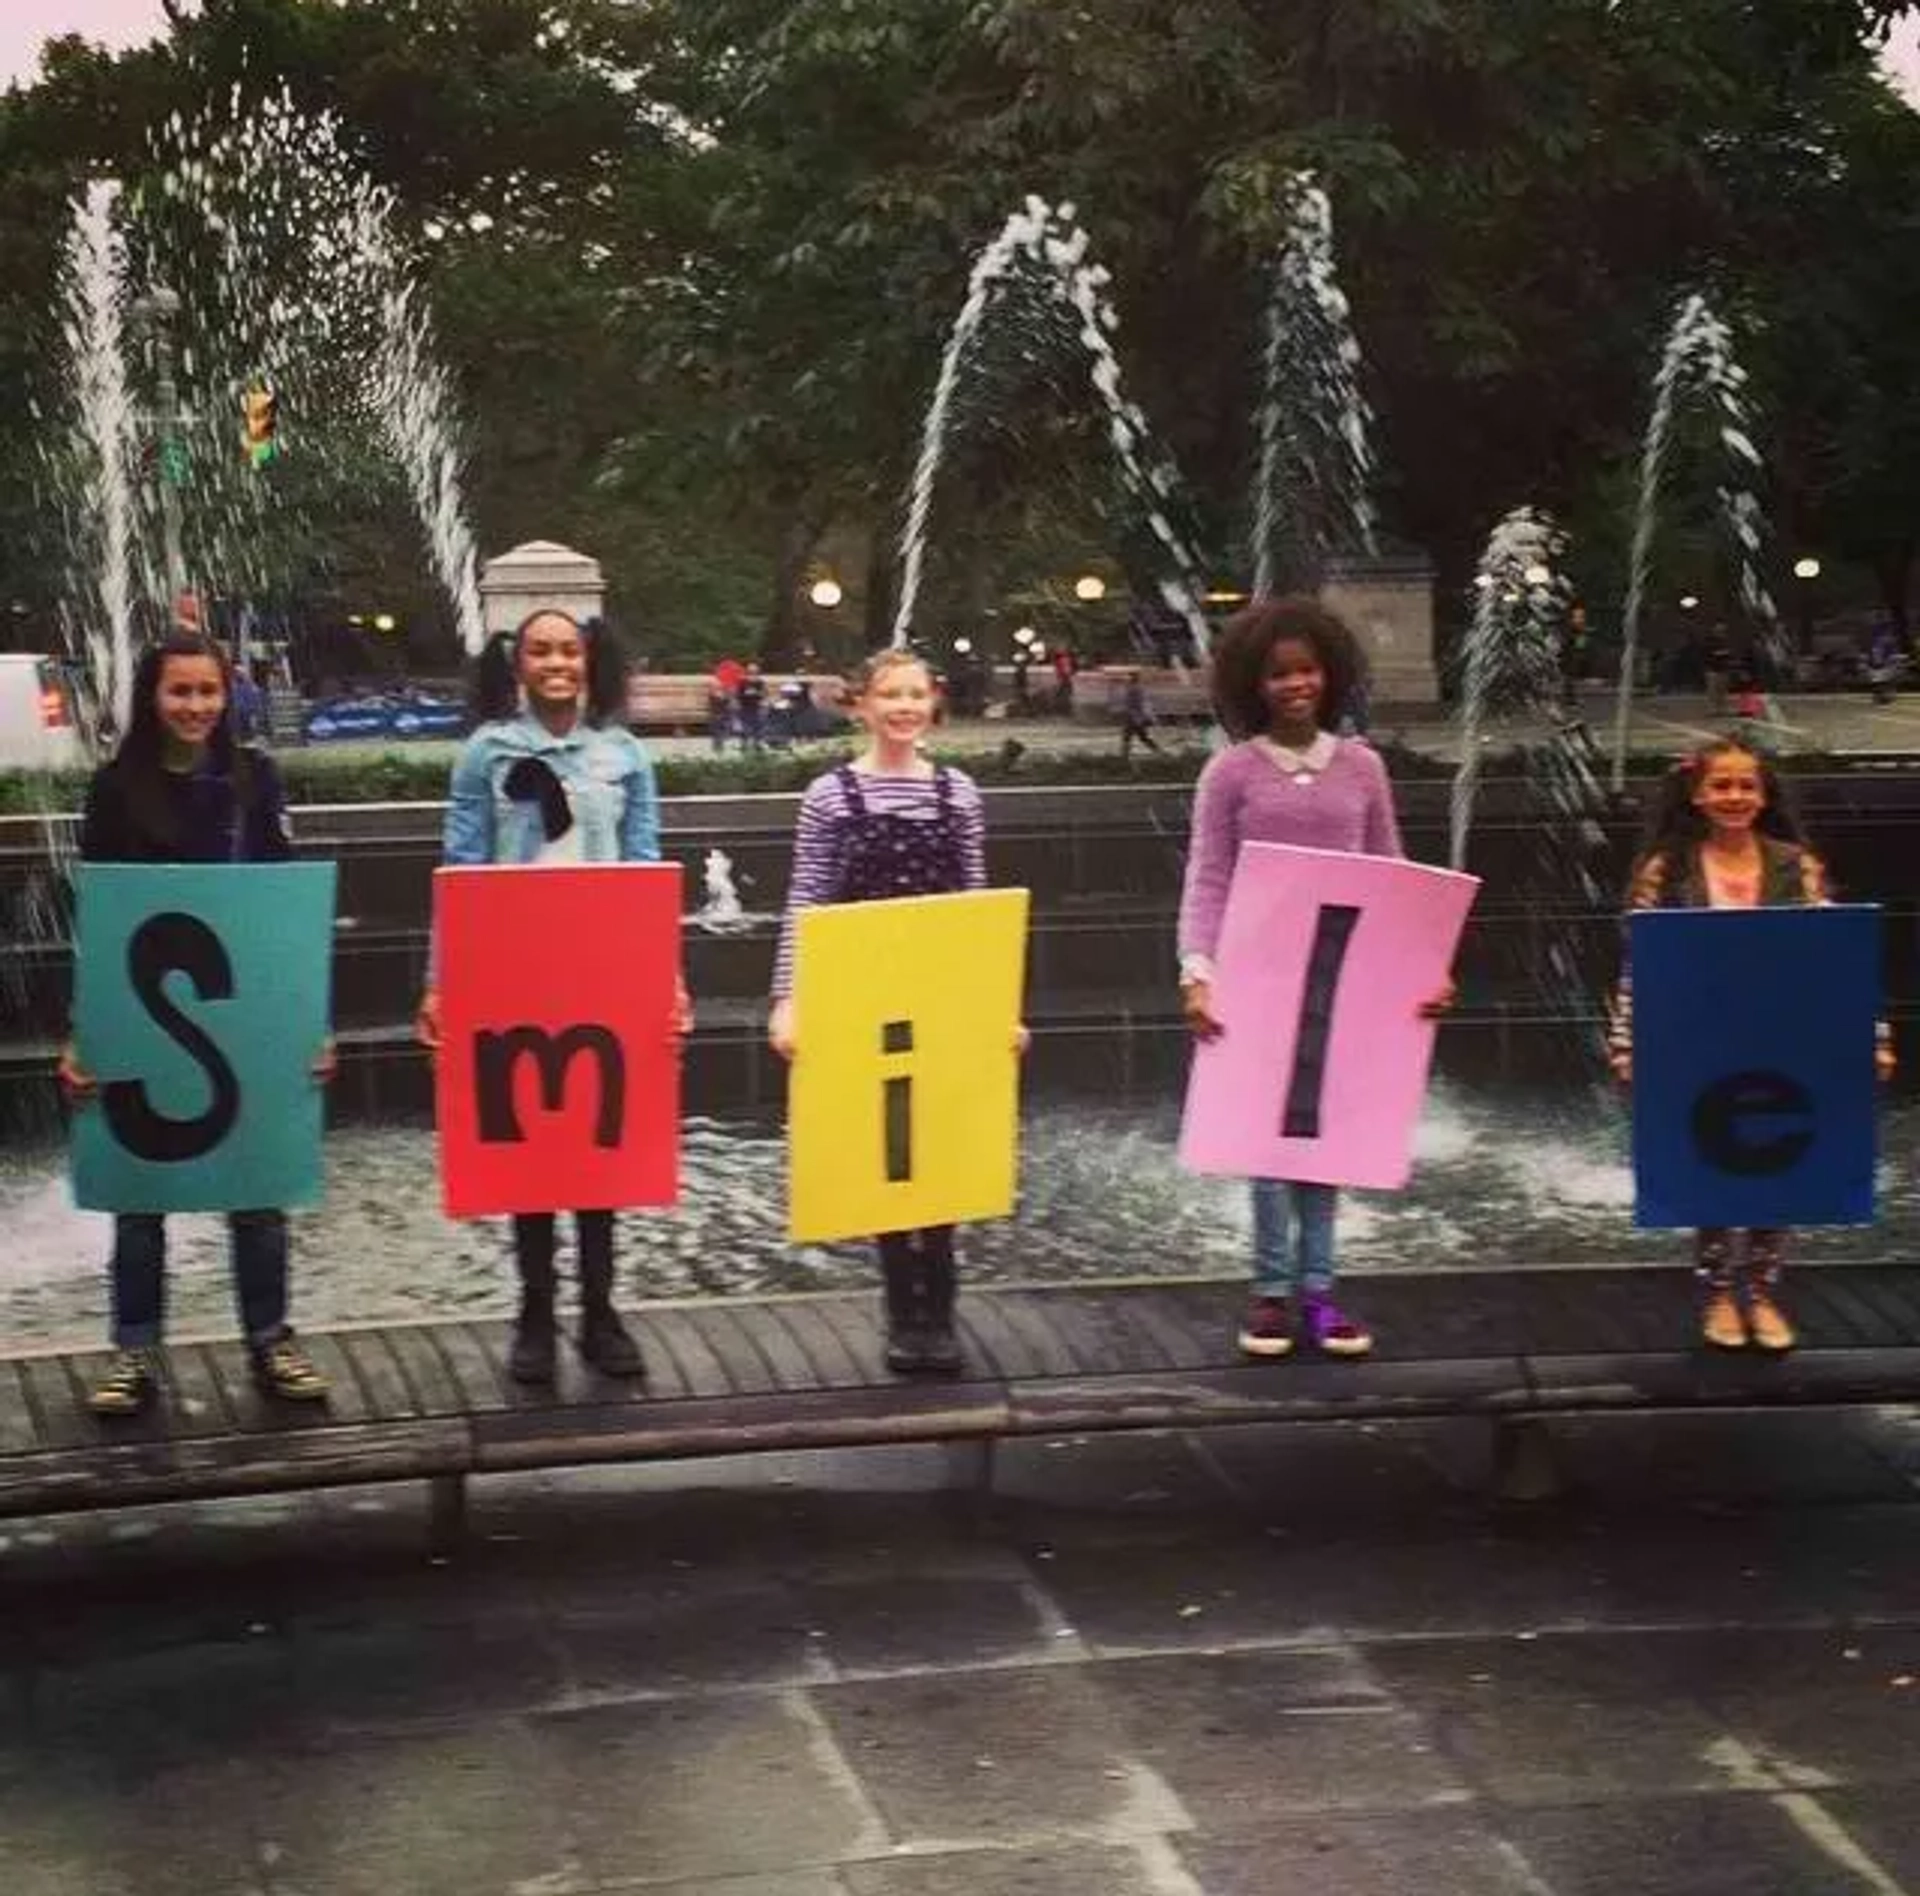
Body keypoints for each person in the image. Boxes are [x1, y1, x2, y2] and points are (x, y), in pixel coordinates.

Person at [57, 631, 333, 1416]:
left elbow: (284, 905)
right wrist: (83, 1032)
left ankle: (271, 1337)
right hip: (144, 1007)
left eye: (208, 692)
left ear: (227, 694)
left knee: (258, 1188)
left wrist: (310, 1024)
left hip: (245, 1007)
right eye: (180, 692)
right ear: (152, 697)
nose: (195, 707)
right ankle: (135, 1349)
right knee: (139, 1194)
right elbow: (100, 915)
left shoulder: (256, 780)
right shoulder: (116, 788)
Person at [415, 610, 690, 1385]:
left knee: (599, 1143)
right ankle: (534, 1313)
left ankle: (600, 1311)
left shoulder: (626, 755)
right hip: (514, 966)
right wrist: (441, 980)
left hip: (603, 966)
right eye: (541, 650)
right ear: (518, 665)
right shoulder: (485, 753)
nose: (557, 662)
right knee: (530, 1142)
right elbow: (460, 867)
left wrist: (665, 976)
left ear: (590, 660)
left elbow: (645, 869)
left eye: (569, 649)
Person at [1177, 597, 1452, 1360]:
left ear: (1327, 678)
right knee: (1266, 1145)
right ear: (1253, 685)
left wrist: (1425, 968)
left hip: (1343, 974)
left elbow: (1393, 871)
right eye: (1277, 674)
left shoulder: (1363, 765)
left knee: (1325, 1139)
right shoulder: (1229, 772)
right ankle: (1271, 1296)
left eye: (1306, 671)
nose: (1295, 684)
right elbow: (1208, 878)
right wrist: (1197, 972)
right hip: (1257, 976)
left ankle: (1322, 1293)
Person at [767, 648, 1018, 1374]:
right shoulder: (828, 797)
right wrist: (789, 999)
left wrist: (999, 1007)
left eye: (916, 695)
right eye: (890, 695)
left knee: (940, 1145)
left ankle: (940, 1303)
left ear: (932, 704)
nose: (904, 707)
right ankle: (899, 1307)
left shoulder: (960, 794)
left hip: (944, 992)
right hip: (860, 992)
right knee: (884, 1147)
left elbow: (978, 903)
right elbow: (805, 901)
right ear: (862, 705)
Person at [1607, 738, 1894, 1352]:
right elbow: (1640, 963)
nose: (1734, 797)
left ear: (1764, 796)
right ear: (1697, 793)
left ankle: (1761, 1289)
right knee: (1706, 1158)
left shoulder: (1797, 864)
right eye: (1722, 786)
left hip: (1784, 1030)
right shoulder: (1667, 868)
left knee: (1778, 1154)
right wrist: (1628, 1043)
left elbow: (1836, 958)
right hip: (1694, 1033)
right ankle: (1717, 1291)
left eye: (1746, 786)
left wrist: (1872, 1036)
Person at [1117, 668, 1161, 759]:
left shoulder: (1135, 689)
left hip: (1135, 717)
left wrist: (1141, 717)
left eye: (1128, 677)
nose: (1126, 679)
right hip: (1133, 717)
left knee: (1131, 736)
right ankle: (1158, 750)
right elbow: (1134, 703)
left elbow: (1140, 704)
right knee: (1138, 737)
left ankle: (1124, 755)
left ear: (1133, 679)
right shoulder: (1133, 688)